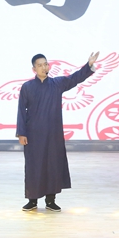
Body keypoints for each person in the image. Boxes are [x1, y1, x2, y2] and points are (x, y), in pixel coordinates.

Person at [17, 51, 99, 212]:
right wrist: (21, 133)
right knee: (34, 166)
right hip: (33, 135)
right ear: (34, 69)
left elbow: (75, 78)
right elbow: (21, 111)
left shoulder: (57, 84)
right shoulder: (27, 87)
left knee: (52, 165)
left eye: (45, 64)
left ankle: (50, 200)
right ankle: (32, 200)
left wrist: (88, 65)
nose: (43, 67)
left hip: (53, 134)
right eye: (40, 65)